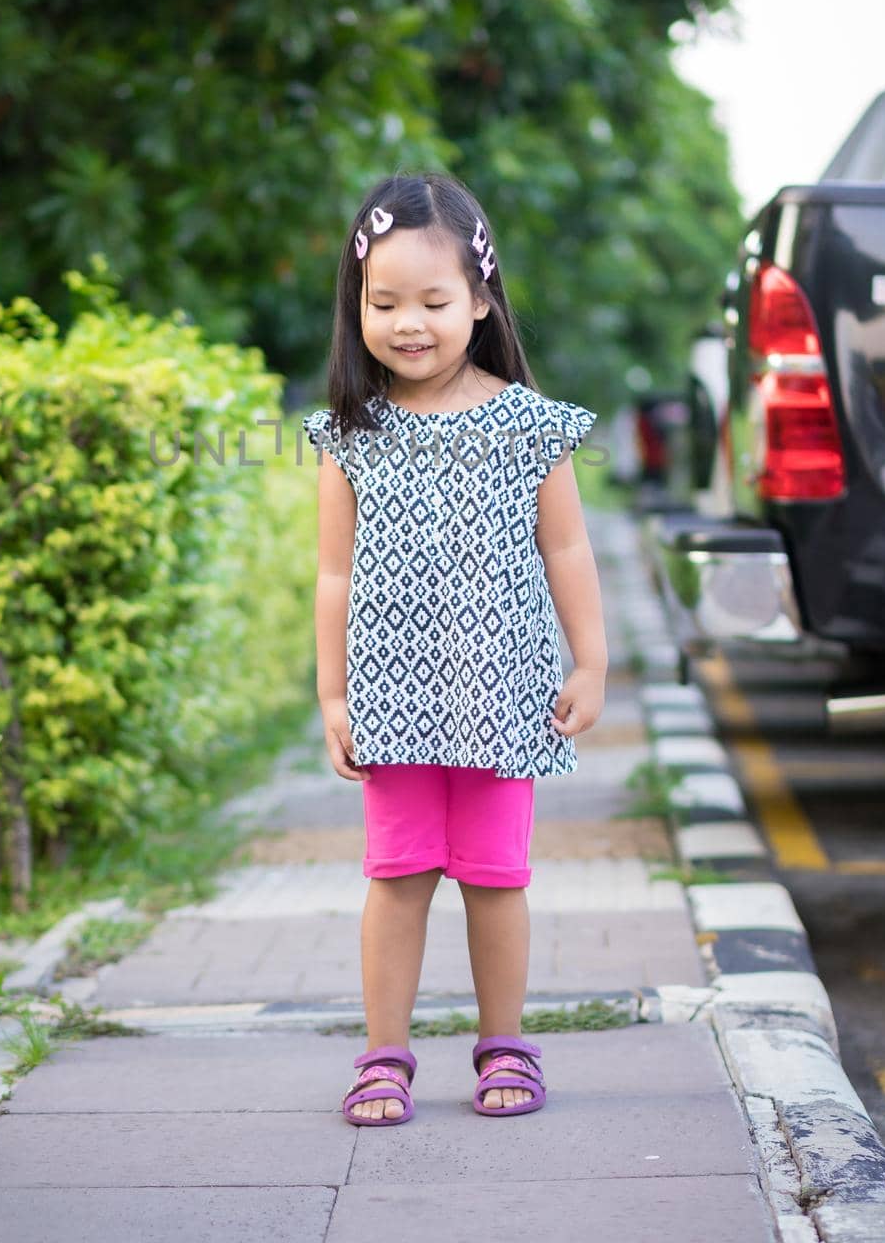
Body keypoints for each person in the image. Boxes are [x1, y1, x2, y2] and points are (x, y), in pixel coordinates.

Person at [301, 171, 607, 1127]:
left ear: (479, 299)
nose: (409, 323)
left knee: (494, 878)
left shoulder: (530, 426)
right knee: (395, 878)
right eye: (384, 301)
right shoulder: (351, 434)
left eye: (434, 302)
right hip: (392, 703)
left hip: (499, 694)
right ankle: (383, 1057)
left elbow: (566, 547)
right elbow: (333, 578)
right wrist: (334, 695)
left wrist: (590, 662)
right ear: (357, 306)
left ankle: (503, 1046)